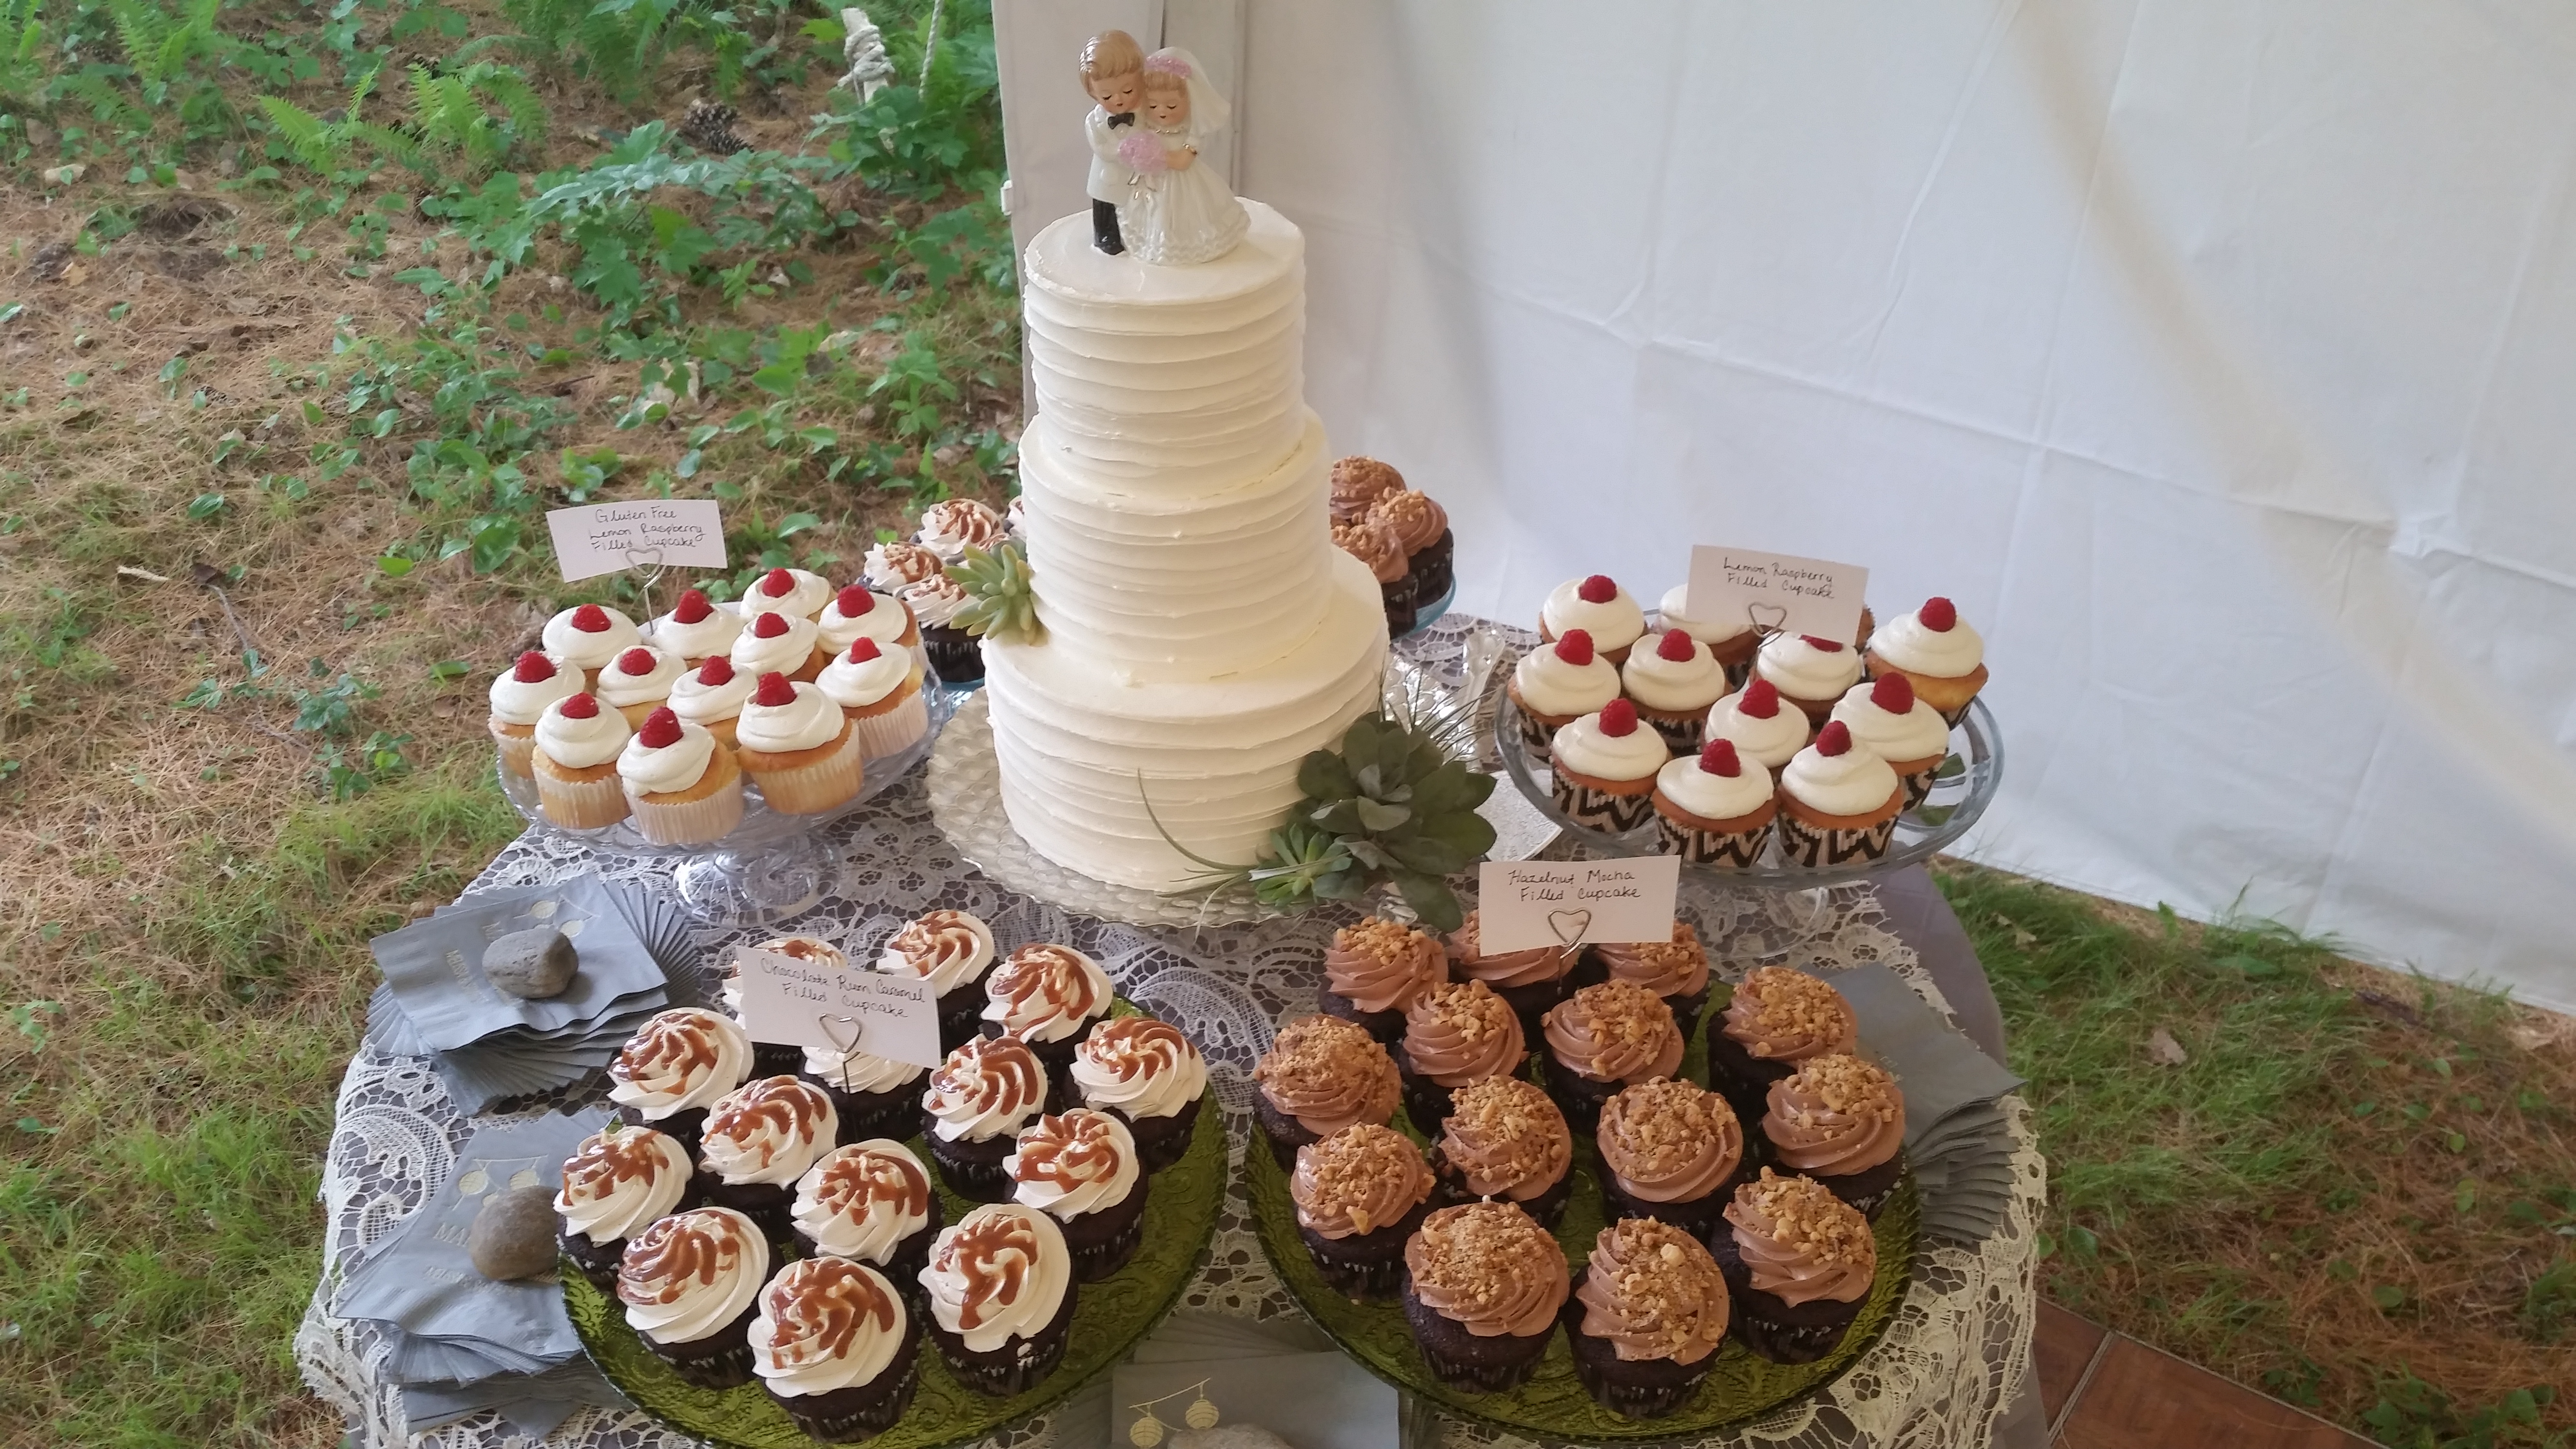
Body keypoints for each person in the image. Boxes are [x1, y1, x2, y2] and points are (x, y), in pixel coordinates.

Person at [1111, 48, 1250, 266]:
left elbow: (1183, 162)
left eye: (1172, 105)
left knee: (1179, 218)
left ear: (1190, 101)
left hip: (1183, 186)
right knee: (1154, 217)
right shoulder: (1146, 125)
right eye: (1153, 105)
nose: (1162, 111)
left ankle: (1184, 249)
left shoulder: (1191, 135)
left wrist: (1156, 156)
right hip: (1151, 185)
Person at [1079, 30, 1146, 255]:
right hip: (1107, 175)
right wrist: (1121, 151)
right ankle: (1106, 236)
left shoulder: (1148, 113)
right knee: (1105, 206)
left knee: (1141, 207)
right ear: (1092, 92)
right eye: (1107, 96)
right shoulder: (1094, 120)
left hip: (1141, 177)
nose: (1118, 99)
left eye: (1128, 90)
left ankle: (1143, 236)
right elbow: (1101, 148)